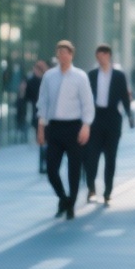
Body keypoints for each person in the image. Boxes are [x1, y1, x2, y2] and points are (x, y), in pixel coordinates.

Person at [37, 40, 94, 219]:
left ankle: (71, 204)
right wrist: (41, 127)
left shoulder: (80, 76)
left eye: (65, 52)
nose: (62, 55)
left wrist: (86, 126)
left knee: (74, 169)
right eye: (59, 52)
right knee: (51, 169)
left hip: (74, 127)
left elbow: (87, 103)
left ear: (71, 55)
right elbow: (43, 102)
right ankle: (63, 198)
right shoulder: (49, 76)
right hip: (54, 127)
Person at [85, 45, 133, 205]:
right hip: (95, 118)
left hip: (113, 117)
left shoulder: (119, 75)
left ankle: (108, 191)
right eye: (98, 56)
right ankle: (91, 187)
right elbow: (85, 97)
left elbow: (125, 96)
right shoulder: (92, 75)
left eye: (103, 55)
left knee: (110, 157)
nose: (101, 59)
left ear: (109, 56)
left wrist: (129, 114)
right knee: (92, 156)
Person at [24, 60, 47, 172]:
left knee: (45, 140)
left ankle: (44, 163)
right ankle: (42, 164)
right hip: (37, 113)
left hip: (46, 114)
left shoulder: (46, 80)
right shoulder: (31, 81)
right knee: (42, 140)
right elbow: (26, 97)